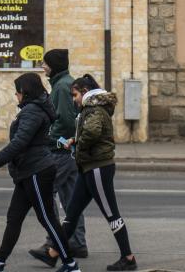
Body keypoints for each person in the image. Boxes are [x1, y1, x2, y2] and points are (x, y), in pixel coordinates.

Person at [0, 72, 80, 272]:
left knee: (47, 218)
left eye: (17, 91)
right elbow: (39, 139)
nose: (16, 95)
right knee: (14, 217)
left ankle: (70, 265)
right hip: (28, 171)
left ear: (25, 91)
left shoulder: (32, 111)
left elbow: (20, 143)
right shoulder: (36, 109)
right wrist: (59, 142)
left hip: (36, 171)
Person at [47, 74, 138, 271]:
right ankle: (54, 252)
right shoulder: (91, 108)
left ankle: (128, 257)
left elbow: (93, 132)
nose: (74, 99)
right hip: (88, 167)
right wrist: (75, 139)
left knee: (111, 213)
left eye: (75, 95)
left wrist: (77, 142)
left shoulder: (94, 108)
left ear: (85, 92)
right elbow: (88, 131)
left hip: (98, 167)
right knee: (72, 212)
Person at [30, 48, 88, 264]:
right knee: (71, 199)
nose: (43, 67)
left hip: (61, 151)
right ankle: (77, 243)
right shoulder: (64, 84)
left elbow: (62, 121)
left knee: (45, 193)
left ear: (53, 66)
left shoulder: (62, 87)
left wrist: (46, 136)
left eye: (45, 64)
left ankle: (52, 242)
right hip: (69, 151)